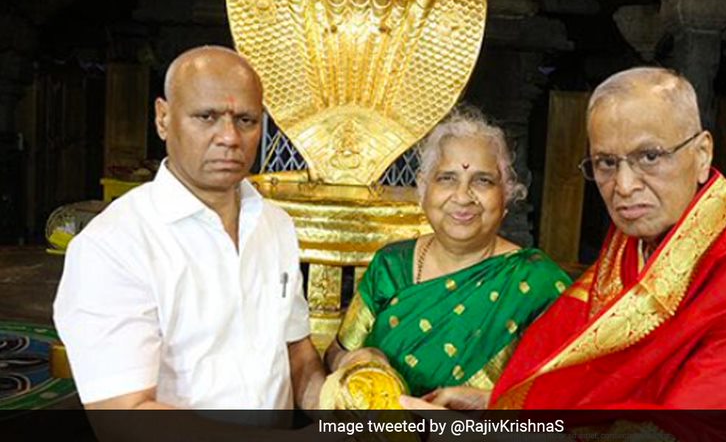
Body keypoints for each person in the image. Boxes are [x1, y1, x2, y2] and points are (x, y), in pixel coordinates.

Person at [402, 67, 726, 411]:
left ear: (701, 154)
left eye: (650, 156)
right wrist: (496, 402)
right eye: (606, 163)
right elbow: (585, 382)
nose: (625, 186)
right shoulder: (632, 242)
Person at [53, 46, 326, 410]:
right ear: (163, 118)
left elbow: (298, 356)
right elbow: (125, 415)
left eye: (246, 120)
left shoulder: (275, 225)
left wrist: (352, 418)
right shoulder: (113, 246)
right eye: (206, 117)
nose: (229, 137)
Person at [324, 109, 572, 398]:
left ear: (506, 195)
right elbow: (336, 354)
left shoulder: (538, 284)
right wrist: (354, 361)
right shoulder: (391, 265)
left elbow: (566, 398)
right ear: (423, 188)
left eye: (483, 181)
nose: (463, 196)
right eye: (447, 178)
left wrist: (489, 403)